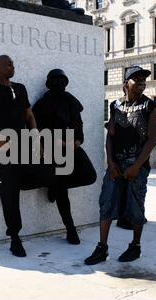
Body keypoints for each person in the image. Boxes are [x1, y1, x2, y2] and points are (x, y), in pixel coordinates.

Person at [0, 55, 50, 258]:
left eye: (13, 64)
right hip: (3, 148)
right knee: (10, 193)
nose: (12, 66)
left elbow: (29, 115)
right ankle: (15, 237)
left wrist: (36, 138)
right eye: (8, 64)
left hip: (24, 143)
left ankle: (10, 187)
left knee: (47, 172)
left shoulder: (20, 88)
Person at [84, 66, 156, 265]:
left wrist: (137, 166)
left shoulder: (150, 107)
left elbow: (152, 140)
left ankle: (135, 245)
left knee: (136, 207)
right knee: (106, 203)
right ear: (125, 84)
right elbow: (111, 135)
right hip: (115, 166)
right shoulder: (115, 105)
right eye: (137, 78)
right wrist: (110, 161)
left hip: (137, 167)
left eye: (144, 79)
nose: (142, 81)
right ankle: (102, 248)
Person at [33, 69, 97, 245]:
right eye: (56, 81)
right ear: (49, 84)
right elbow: (37, 130)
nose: (59, 84)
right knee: (62, 189)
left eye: (62, 80)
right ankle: (70, 229)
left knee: (90, 175)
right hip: (53, 150)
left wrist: (77, 141)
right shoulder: (42, 104)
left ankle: (53, 187)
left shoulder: (71, 101)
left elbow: (79, 125)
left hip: (72, 147)